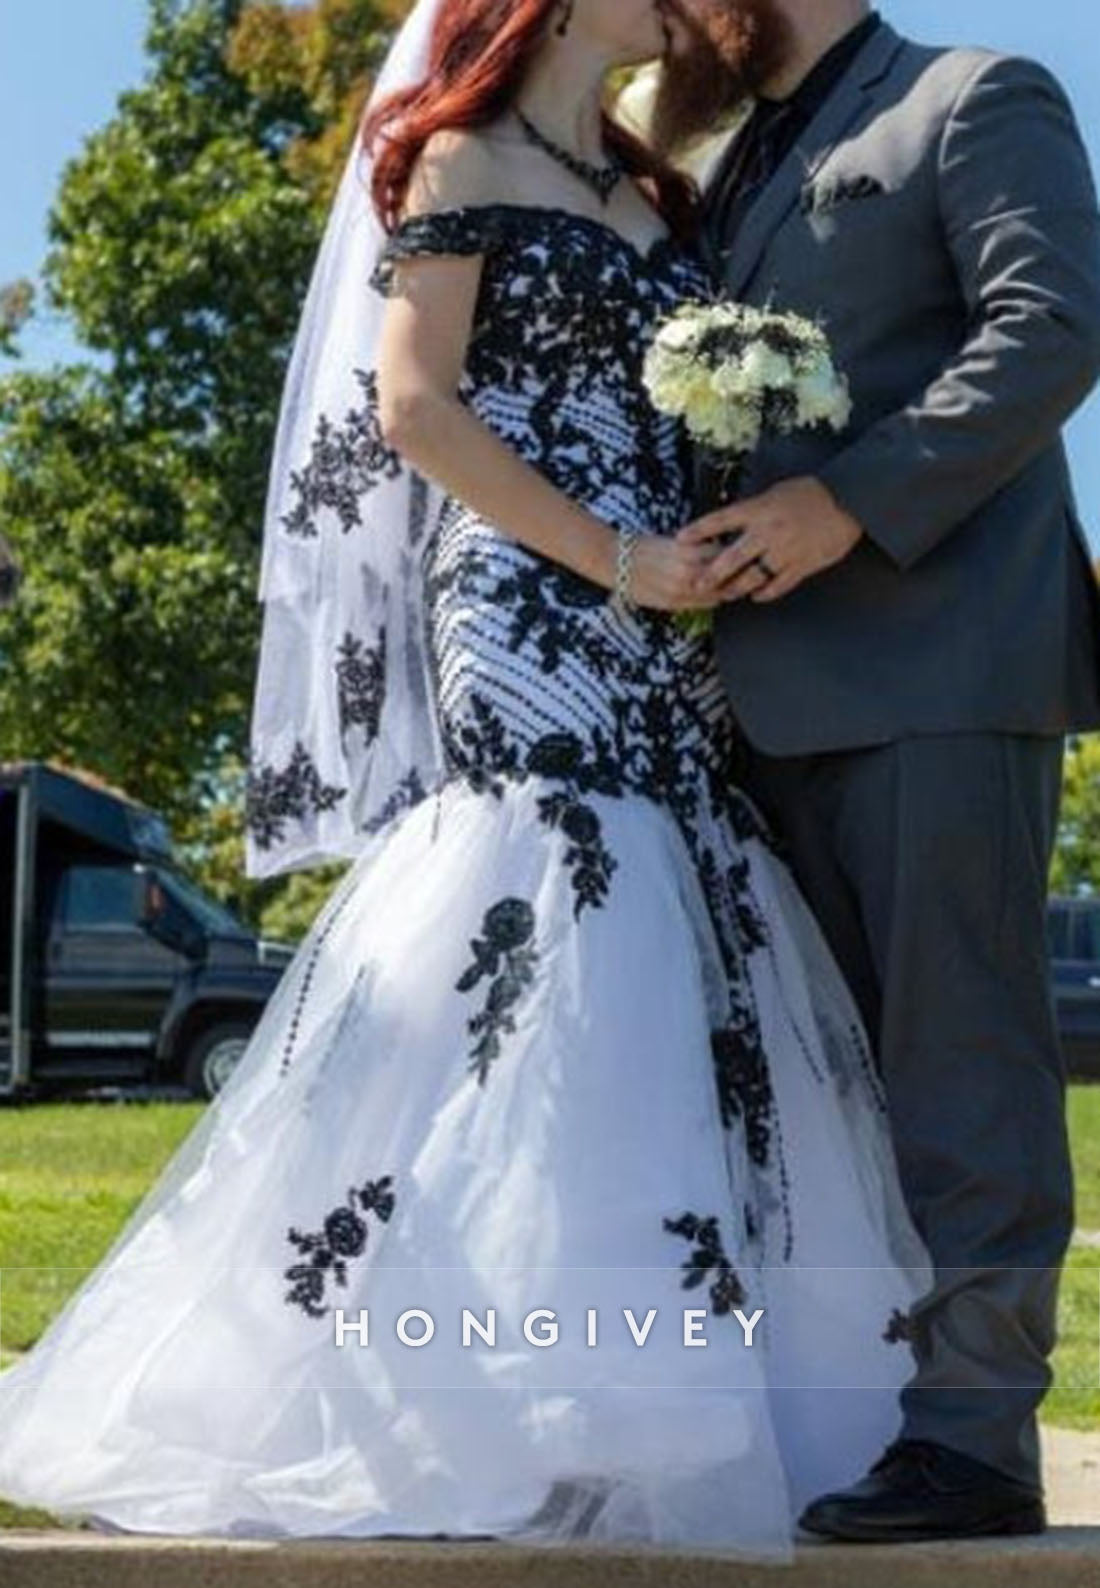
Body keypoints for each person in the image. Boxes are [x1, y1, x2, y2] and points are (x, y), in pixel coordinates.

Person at [0, 0, 932, 1557]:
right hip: (523, 586)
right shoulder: (453, 153)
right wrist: (616, 558)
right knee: (559, 888)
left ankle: (628, 1392)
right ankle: (479, 1404)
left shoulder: (658, 186)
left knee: (687, 895)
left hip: (671, 601)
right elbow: (415, 405)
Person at [661, 0, 1100, 1544]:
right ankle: (854, 1412)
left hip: (941, 673)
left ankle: (976, 1443)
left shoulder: (977, 96)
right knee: (818, 1089)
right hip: (749, 709)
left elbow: (1051, 330)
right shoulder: (717, 159)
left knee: (960, 1069)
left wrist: (844, 507)